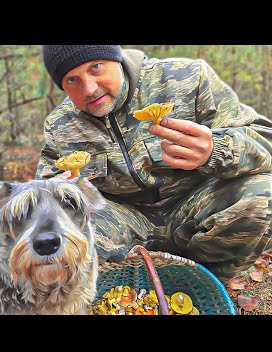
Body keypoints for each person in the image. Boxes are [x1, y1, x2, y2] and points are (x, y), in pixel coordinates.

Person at [36, 45, 272, 283]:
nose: (89, 88)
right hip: (124, 223)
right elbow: (44, 188)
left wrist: (216, 149)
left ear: (115, 58)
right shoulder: (60, 126)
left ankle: (203, 282)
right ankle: (127, 283)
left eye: (95, 68)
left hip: (195, 208)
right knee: (57, 226)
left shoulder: (186, 78)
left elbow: (266, 141)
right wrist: (56, 192)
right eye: (72, 80)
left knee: (263, 193)